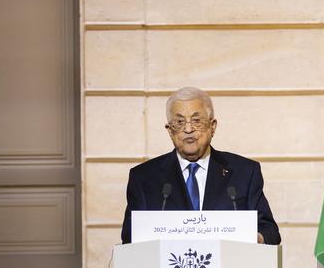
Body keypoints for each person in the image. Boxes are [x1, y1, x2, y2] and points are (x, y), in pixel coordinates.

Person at [120, 87, 281, 245]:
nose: (188, 129)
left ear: (213, 127)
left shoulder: (244, 172)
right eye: (179, 122)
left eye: (196, 120)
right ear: (170, 131)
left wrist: (254, 239)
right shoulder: (144, 178)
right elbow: (130, 239)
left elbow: (270, 232)